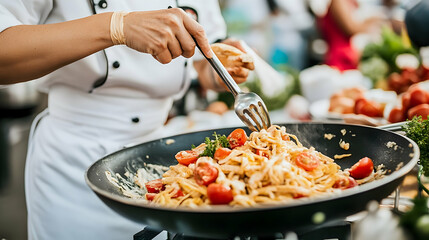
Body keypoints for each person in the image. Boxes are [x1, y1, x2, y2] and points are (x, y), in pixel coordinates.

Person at [0, 1, 253, 239]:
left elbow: (197, 61)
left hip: (163, 160)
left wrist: (216, 70)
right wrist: (116, 26)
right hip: (75, 162)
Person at [316, 0, 382, 71]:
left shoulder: (351, 2)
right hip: (340, 59)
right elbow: (350, 28)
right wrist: (371, 22)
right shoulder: (339, 1)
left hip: (351, 57)